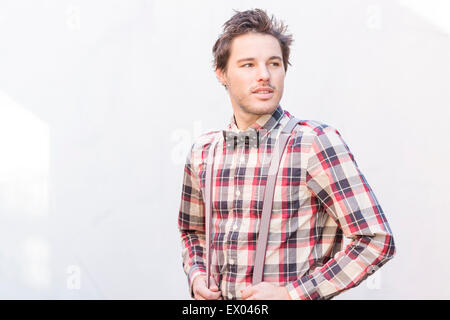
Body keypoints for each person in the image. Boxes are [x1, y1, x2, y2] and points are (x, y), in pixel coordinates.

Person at [178, 8, 396, 300]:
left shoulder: (313, 143)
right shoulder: (203, 152)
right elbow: (192, 232)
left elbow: (375, 240)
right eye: (248, 65)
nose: (264, 76)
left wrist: (292, 294)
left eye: (274, 63)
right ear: (221, 73)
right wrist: (196, 273)